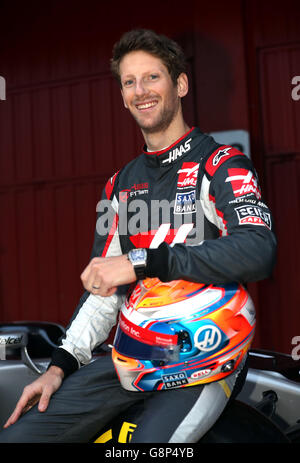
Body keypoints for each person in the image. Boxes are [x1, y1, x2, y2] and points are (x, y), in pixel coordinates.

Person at [0, 29, 276, 443]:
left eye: (152, 78)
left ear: (180, 84)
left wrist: (142, 261)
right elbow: (103, 292)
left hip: (205, 354)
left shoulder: (221, 164)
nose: (140, 91)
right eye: (129, 82)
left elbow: (258, 249)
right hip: (132, 353)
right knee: (20, 438)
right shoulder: (119, 186)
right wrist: (59, 366)